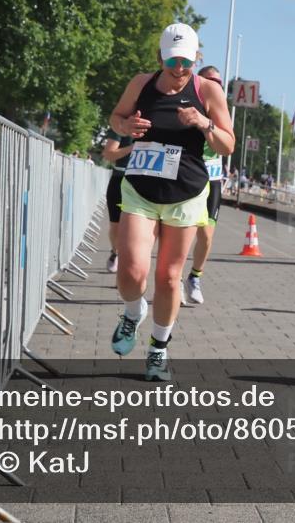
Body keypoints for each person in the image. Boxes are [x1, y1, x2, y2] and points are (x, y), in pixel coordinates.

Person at [108, 23, 235, 380]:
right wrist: (125, 127)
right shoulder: (141, 84)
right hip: (141, 188)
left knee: (168, 278)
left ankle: (158, 349)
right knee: (131, 271)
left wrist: (202, 122)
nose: (179, 69)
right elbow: (115, 117)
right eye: (172, 61)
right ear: (160, 58)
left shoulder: (207, 90)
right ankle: (133, 313)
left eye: (186, 61)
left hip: (186, 192)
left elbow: (228, 145)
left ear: (197, 57)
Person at [182, 65, 227, 306]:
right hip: (189, 175)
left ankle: (194, 278)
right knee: (183, 233)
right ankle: (175, 280)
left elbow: (228, 143)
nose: (215, 86)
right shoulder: (191, 104)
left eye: (219, 83)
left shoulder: (220, 108)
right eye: (210, 81)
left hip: (213, 178)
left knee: (206, 236)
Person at [101, 128, 135, 273]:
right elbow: (108, 154)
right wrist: (133, 148)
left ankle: (127, 265)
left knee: (134, 228)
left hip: (144, 181)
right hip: (120, 179)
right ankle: (116, 252)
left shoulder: (160, 122)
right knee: (116, 226)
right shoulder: (122, 124)